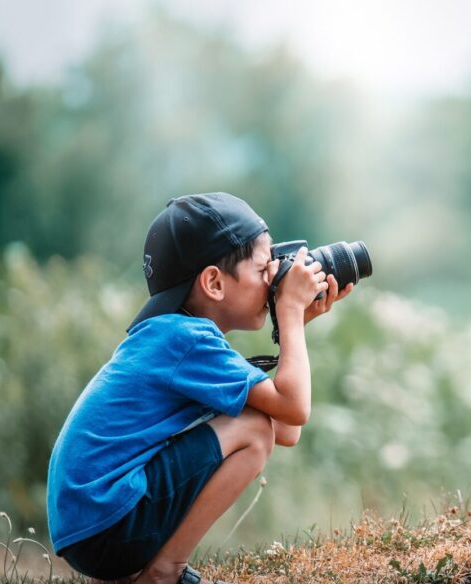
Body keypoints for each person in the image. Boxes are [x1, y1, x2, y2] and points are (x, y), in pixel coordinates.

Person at [46, 192, 352, 584]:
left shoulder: (178, 338)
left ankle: (148, 571)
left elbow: (286, 429)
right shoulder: (186, 341)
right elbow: (290, 412)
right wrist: (289, 312)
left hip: (92, 527)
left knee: (257, 423)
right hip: (107, 522)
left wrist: (296, 322)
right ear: (213, 282)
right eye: (263, 271)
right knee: (252, 428)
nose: (273, 281)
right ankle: (164, 573)